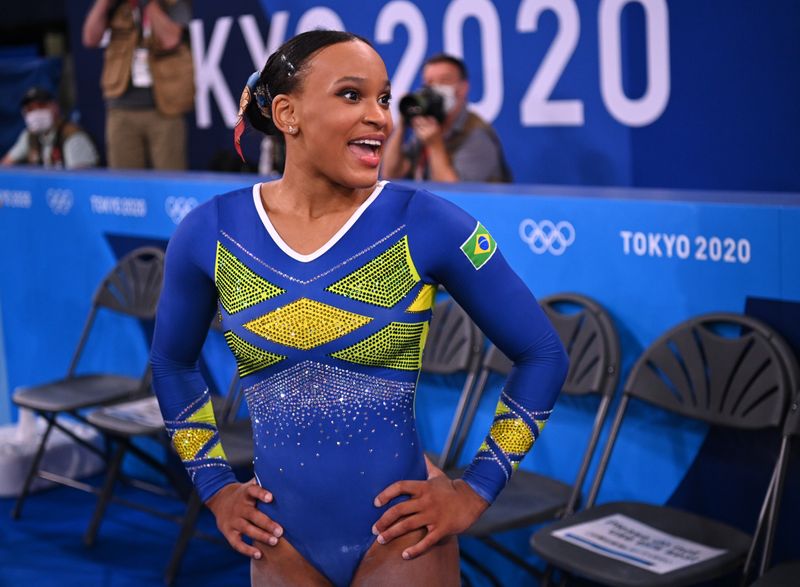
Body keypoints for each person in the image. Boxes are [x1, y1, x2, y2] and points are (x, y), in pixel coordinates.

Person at [150, 30, 567, 586]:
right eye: (352, 95)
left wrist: (475, 491)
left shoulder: (426, 221)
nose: (381, 118)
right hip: (279, 543)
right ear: (287, 112)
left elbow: (542, 354)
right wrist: (216, 487)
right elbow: (171, 365)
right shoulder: (211, 230)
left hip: (401, 544)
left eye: (385, 99)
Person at [82, 0, 194, 170]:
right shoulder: (116, 6)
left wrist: (148, 4)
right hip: (121, 109)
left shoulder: (173, 3)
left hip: (165, 109)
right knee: (124, 186)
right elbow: (90, 38)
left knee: (170, 182)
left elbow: (170, 39)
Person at [382, 53, 511, 183]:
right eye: (429, 82)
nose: (435, 88)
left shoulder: (477, 135)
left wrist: (435, 145)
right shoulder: (429, 125)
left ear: (463, 88)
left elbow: (456, 195)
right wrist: (402, 124)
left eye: (444, 81)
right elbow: (391, 173)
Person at [1, 86, 99, 169]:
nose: (36, 113)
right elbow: (5, 165)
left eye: (41, 106)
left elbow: (80, 180)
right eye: (30, 109)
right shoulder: (30, 135)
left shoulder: (72, 136)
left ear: (55, 107)